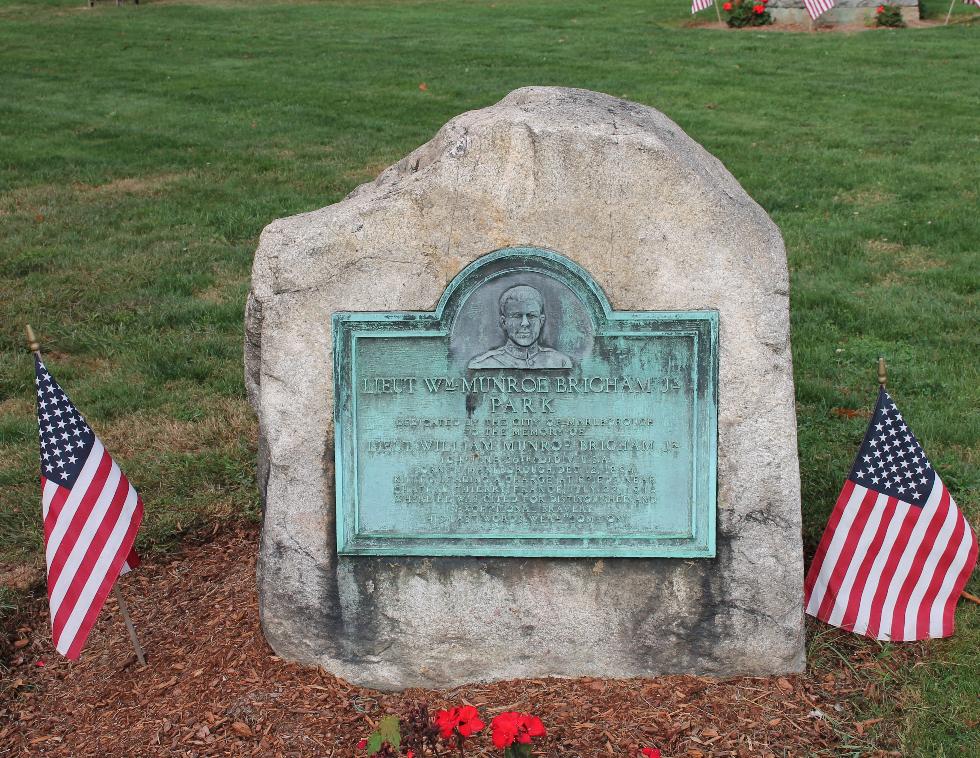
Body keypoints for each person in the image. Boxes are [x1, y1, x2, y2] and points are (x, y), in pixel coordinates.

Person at [468, 285, 572, 369]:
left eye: (531, 316)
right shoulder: (482, 366)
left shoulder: (560, 363)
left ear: (541, 321)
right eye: (517, 316)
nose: (525, 323)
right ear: (504, 322)